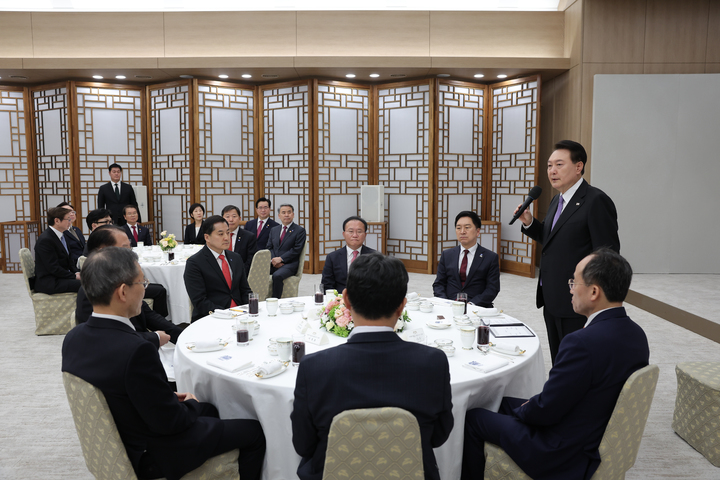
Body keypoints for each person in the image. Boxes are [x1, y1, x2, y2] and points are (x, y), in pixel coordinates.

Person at [62, 246, 265, 480]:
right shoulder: (136, 349)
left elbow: (123, 386)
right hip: (153, 452)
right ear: (123, 292)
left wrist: (169, 396)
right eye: (142, 283)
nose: (145, 290)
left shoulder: (74, 337)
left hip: (123, 435)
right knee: (253, 431)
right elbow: (171, 423)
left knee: (209, 408)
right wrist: (190, 404)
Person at [460, 248, 648, 480]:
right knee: (499, 402)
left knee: (474, 417)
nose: (569, 289)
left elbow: (545, 411)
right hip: (590, 428)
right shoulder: (637, 334)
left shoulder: (582, 343)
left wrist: (526, 410)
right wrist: (529, 406)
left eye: (574, 281)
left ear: (594, 291)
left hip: (560, 449)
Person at [291, 253, 453, 480]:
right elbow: (438, 436)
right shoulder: (433, 362)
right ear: (401, 306)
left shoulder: (314, 367)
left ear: (345, 300)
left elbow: (303, 445)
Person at [515, 140, 619, 364]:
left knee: (578, 362)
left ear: (579, 166)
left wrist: (593, 297)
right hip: (552, 297)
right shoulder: (556, 200)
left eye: (559, 164)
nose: (552, 171)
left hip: (578, 302)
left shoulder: (595, 200)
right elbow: (553, 239)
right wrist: (530, 223)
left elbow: (608, 254)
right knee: (559, 360)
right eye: (549, 165)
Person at [75, 225, 184, 349]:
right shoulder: (90, 290)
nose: (131, 252)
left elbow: (148, 314)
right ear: (104, 250)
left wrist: (185, 336)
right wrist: (155, 337)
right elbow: (104, 339)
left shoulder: (124, 278)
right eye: (125, 248)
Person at [184, 215, 252, 322]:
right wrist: (227, 314)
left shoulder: (236, 257)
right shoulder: (195, 263)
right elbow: (200, 301)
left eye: (228, 233)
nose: (226, 237)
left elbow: (245, 290)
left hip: (240, 314)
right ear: (207, 237)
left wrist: (251, 309)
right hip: (212, 317)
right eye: (220, 234)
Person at [433, 211, 500, 307]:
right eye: (458, 228)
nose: (462, 231)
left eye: (467, 227)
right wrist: (446, 303)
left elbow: (492, 288)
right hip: (449, 305)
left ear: (477, 231)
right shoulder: (446, 255)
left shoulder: (490, 257)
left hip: (477, 306)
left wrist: (472, 303)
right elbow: (438, 284)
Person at [321, 215, 375, 293]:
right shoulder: (332, 257)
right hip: (340, 299)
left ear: (365, 235)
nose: (355, 235)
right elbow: (327, 284)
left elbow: (378, 284)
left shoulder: (374, 256)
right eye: (351, 231)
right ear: (344, 234)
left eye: (359, 231)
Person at [34, 207, 81, 294]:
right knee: (86, 285)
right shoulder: (46, 240)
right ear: (57, 221)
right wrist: (74, 276)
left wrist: (77, 272)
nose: (70, 222)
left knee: (90, 280)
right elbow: (53, 268)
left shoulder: (62, 235)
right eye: (68, 219)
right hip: (50, 281)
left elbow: (69, 260)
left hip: (61, 276)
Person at [267, 204, 307, 298]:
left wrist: (281, 259)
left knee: (277, 276)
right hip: (273, 262)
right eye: (283, 212)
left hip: (290, 264)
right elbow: (269, 248)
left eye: (289, 212)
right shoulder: (274, 230)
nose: (286, 215)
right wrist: (274, 260)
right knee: (254, 272)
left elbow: (296, 250)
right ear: (279, 216)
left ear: (293, 214)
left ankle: (275, 300)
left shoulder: (299, 230)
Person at [222, 205, 257, 274]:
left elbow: (251, 261)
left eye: (234, 216)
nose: (231, 219)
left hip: (241, 274)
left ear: (240, 218)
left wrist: (237, 274)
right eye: (227, 217)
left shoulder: (249, 237)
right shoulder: (217, 236)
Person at [57, 202, 86, 267]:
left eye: (73, 212)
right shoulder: (60, 232)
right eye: (68, 212)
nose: (72, 214)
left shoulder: (76, 229)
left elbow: (83, 246)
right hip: (70, 264)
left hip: (83, 262)